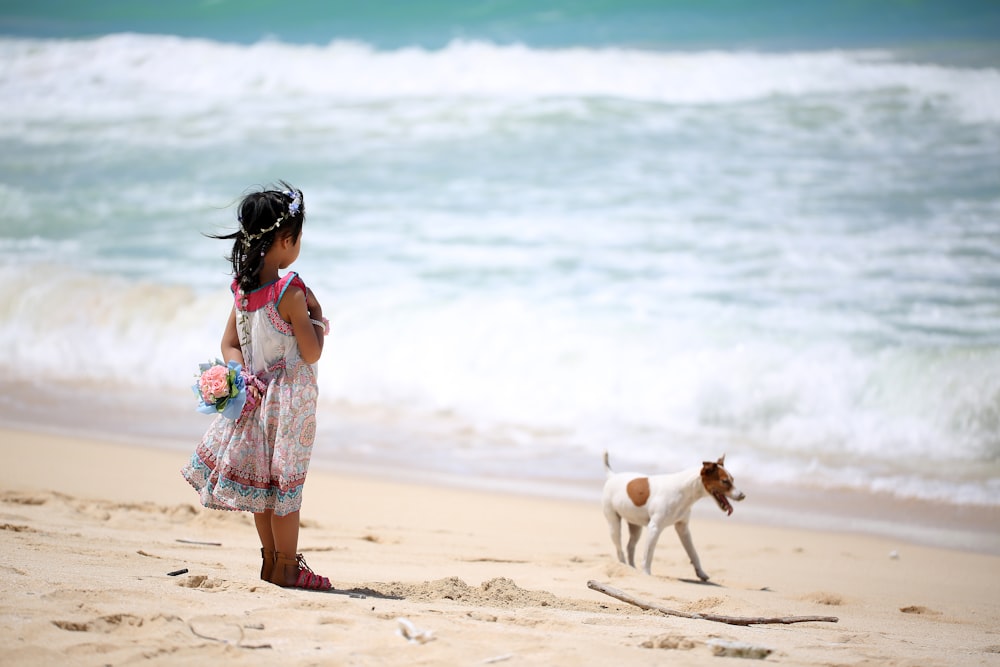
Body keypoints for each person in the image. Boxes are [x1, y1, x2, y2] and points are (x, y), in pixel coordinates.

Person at [182, 181, 332, 590]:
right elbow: (312, 351)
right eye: (297, 238)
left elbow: (229, 343)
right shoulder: (290, 291)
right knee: (286, 485)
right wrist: (316, 314)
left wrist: (241, 375)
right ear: (285, 240)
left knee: (265, 486)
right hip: (290, 402)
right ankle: (289, 566)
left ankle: (271, 562)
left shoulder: (243, 289)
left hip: (257, 398)